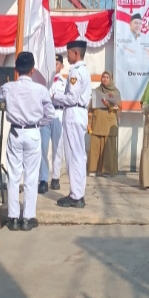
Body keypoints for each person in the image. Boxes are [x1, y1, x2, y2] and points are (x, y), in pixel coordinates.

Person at [0, 52, 55, 231]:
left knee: (13, 176)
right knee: (31, 177)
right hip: (33, 132)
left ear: (16, 69)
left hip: (15, 132)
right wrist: (37, 124)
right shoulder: (41, 90)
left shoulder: (8, 87)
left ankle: (13, 218)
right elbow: (50, 114)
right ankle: (27, 218)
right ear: (32, 70)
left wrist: (3, 87)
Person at [54, 41, 91, 208]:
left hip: (74, 112)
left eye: (68, 53)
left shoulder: (75, 71)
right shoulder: (84, 70)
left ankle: (76, 195)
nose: (67, 56)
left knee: (73, 155)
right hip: (79, 113)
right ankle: (77, 193)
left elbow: (71, 98)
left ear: (76, 54)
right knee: (78, 155)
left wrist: (55, 96)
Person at [40, 54, 66, 194]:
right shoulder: (44, 81)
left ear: (61, 66)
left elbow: (67, 99)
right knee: (43, 147)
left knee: (58, 147)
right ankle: (43, 179)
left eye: (56, 63)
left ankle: (55, 177)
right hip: (45, 113)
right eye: (52, 63)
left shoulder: (65, 82)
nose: (54, 66)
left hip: (59, 113)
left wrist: (56, 97)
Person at [88, 71, 121, 178]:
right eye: (103, 77)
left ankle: (107, 170)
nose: (105, 79)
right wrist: (89, 123)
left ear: (111, 79)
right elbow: (90, 108)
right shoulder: (97, 91)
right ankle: (93, 169)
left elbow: (118, 108)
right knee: (95, 147)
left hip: (109, 122)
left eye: (107, 77)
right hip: (97, 120)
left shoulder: (115, 92)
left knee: (108, 148)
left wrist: (109, 105)